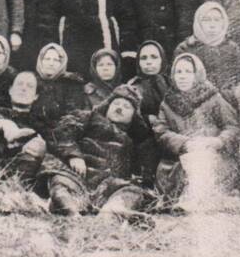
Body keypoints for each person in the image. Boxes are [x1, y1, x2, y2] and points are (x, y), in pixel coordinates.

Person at [42, 84, 158, 216]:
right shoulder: (89, 117)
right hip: (77, 174)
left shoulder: (133, 141)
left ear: (134, 116)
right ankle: (70, 211)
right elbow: (62, 133)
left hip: (107, 184)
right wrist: (73, 155)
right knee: (61, 182)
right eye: (116, 104)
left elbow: (142, 168)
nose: (120, 108)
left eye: (127, 107)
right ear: (107, 106)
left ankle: (112, 211)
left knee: (133, 190)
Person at [152, 53, 239, 211]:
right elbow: (161, 131)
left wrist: (217, 141)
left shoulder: (213, 97)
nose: (183, 77)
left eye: (187, 72)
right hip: (182, 157)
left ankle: (195, 198)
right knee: (181, 167)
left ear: (196, 74)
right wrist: (185, 143)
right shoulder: (168, 102)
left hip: (214, 154)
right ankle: (192, 198)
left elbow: (231, 126)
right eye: (178, 72)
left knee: (204, 162)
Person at [174, 2, 240, 99]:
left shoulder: (233, 48)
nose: (212, 25)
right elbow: (179, 83)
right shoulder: (186, 49)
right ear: (199, 22)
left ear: (223, 22)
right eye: (206, 20)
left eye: (217, 20)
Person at [31, 43, 86, 122]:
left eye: (56, 60)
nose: (51, 63)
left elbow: (72, 116)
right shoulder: (32, 81)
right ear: (40, 60)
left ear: (62, 63)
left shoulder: (71, 84)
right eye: (47, 59)